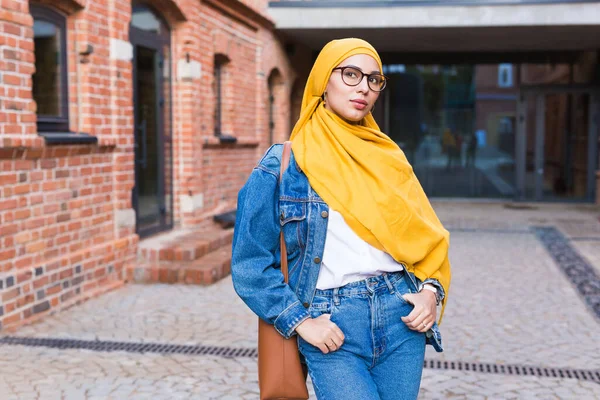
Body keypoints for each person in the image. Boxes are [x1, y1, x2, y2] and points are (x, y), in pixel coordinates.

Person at [231, 38, 451, 400]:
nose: (363, 87)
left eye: (374, 79)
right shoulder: (282, 165)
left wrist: (429, 293)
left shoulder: (389, 158)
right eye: (351, 74)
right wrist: (300, 322)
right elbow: (250, 263)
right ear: (323, 81)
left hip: (401, 318)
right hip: (331, 324)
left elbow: (428, 239)